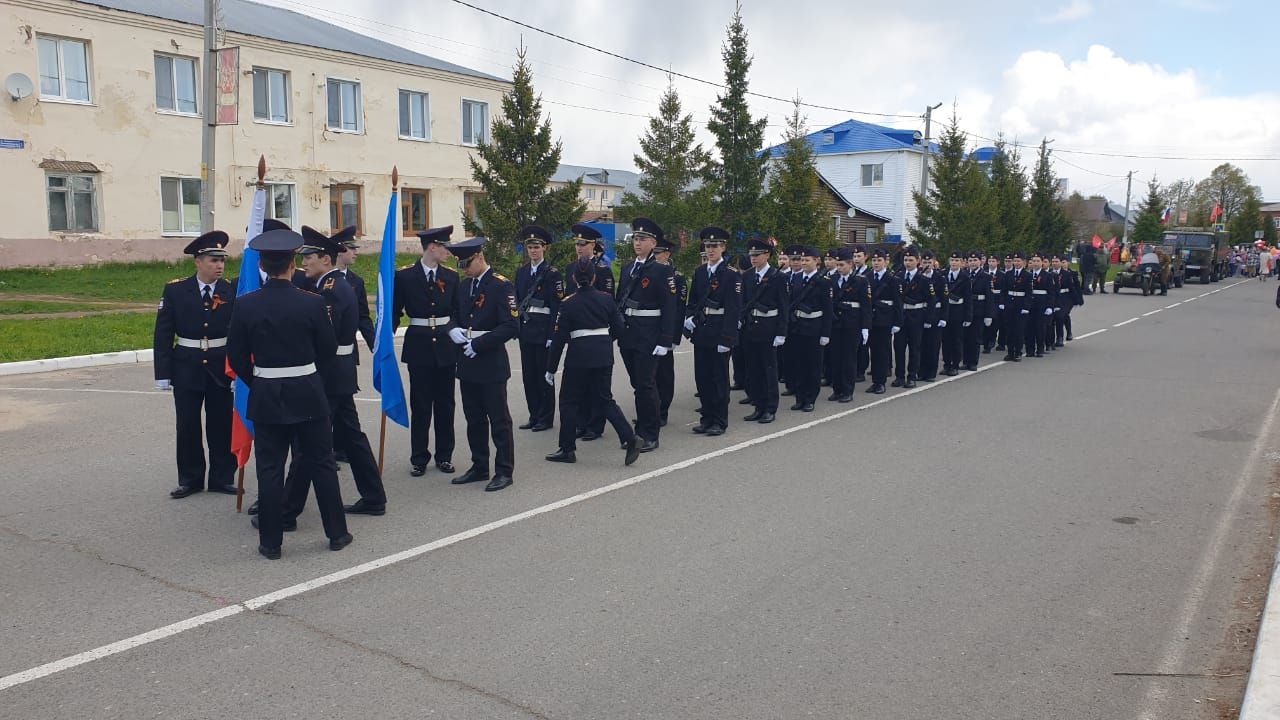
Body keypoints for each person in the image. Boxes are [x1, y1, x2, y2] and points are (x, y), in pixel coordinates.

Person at [226, 227, 351, 560]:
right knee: (322, 463)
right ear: (293, 264)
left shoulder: (245, 305)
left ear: (262, 267)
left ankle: (271, 542)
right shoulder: (312, 303)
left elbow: (236, 356)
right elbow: (327, 350)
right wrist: (307, 376)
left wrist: (261, 380)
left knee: (270, 468)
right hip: (308, 392)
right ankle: (336, 533)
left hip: (267, 392)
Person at [286, 227, 388, 518]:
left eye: (310, 257)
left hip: (329, 374)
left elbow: (324, 340)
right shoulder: (334, 286)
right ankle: (373, 496)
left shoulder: (329, 291)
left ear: (326, 260)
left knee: (309, 442)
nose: (304, 263)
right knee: (352, 437)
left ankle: (286, 511)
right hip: (340, 374)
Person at [153, 230, 239, 499]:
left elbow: (239, 333)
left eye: (222, 260)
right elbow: (163, 333)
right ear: (198, 261)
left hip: (220, 368)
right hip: (187, 366)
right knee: (188, 425)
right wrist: (163, 373)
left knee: (221, 424)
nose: (219, 265)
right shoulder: (176, 290)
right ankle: (190, 479)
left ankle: (222, 477)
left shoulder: (230, 290)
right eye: (213, 260)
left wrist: (239, 370)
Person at [544, 259, 641, 466]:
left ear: (573, 278)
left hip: (578, 357)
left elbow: (559, 339)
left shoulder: (568, 303)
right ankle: (630, 438)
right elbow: (619, 329)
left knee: (569, 402)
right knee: (605, 399)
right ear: (595, 277)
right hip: (603, 355)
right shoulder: (606, 299)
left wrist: (551, 368)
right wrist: (603, 342)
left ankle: (567, 448)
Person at [446, 237, 520, 492]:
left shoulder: (501, 286)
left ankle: (504, 470)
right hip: (467, 361)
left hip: (490, 361)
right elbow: (454, 315)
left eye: (467, 263)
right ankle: (479, 466)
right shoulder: (464, 285)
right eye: (461, 265)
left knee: (499, 419)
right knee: (473, 418)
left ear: (480, 257)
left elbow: (511, 326)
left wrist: (480, 344)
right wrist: (452, 329)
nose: (464, 269)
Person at [393, 226, 459, 477]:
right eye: (445, 247)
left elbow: (457, 311)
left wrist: (456, 334)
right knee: (420, 405)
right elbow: (395, 310)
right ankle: (419, 457)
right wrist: (385, 338)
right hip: (419, 345)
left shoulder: (451, 277)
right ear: (432, 247)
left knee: (446, 404)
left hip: (445, 345)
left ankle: (444, 455)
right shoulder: (405, 277)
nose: (448, 252)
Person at [615, 218, 677, 453]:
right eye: (635, 239)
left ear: (653, 243)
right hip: (629, 334)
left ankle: (650, 434)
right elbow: (619, 301)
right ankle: (640, 426)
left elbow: (669, 308)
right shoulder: (628, 267)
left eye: (642, 239)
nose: (637, 243)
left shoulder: (662, 270)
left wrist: (665, 340)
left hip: (650, 335)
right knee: (636, 383)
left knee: (646, 384)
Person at [685, 227, 742, 435]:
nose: (710, 250)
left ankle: (719, 420)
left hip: (720, 331)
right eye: (707, 246)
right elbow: (693, 301)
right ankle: (706, 418)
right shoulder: (700, 272)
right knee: (703, 378)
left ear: (723, 248)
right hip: (702, 331)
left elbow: (734, 309)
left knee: (719, 379)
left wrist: (727, 338)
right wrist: (689, 318)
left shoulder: (730, 275)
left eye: (715, 246)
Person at [564, 224, 614, 440]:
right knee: (579, 385)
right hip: (577, 334)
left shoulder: (602, 270)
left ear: (593, 246)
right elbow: (566, 298)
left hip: (597, 333)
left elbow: (609, 302)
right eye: (577, 243)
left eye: (583, 244)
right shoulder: (570, 268)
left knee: (598, 387)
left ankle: (596, 424)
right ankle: (581, 422)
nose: (579, 247)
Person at [514, 225, 564, 433]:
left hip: (543, 331)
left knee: (544, 376)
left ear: (545, 249)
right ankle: (534, 414)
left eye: (537, 247)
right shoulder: (522, 273)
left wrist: (553, 334)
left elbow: (557, 307)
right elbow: (517, 300)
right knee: (529, 376)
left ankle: (546, 417)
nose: (533, 251)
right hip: (526, 330)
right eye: (530, 247)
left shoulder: (552, 274)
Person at [740, 237, 788, 423]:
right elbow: (743, 303)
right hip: (750, 328)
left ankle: (770, 408)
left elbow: (784, 307)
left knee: (769, 369)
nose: (753, 258)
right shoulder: (747, 276)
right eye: (751, 255)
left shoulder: (778, 277)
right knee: (753, 370)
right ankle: (758, 405)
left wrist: (781, 332)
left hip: (769, 329)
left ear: (767, 255)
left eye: (757, 254)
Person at [785, 245, 833, 411]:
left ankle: (810, 398)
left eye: (807, 260)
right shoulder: (796, 279)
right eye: (802, 260)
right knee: (798, 364)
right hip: (798, 328)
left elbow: (828, 309)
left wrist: (826, 333)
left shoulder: (824, 282)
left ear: (816, 261)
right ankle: (800, 397)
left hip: (814, 328)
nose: (803, 263)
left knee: (813, 366)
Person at [828, 246, 871, 402]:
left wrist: (865, 327)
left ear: (850, 264)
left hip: (852, 324)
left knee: (848, 359)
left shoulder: (860, 281)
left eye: (842, 265)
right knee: (835, 358)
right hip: (836, 323)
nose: (839, 268)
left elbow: (866, 306)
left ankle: (847, 390)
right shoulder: (832, 280)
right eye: (837, 265)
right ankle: (837, 389)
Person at [653, 234, 687, 428]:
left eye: (658, 253)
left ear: (667, 254)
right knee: (650, 374)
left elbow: (679, 309)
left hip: (666, 332)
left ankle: (663, 410)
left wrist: (674, 336)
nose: (655, 256)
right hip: (649, 329)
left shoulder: (677, 277)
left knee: (664, 374)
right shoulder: (648, 272)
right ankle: (651, 408)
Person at [893, 247, 933, 389]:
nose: (907, 263)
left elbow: (931, 301)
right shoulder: (898, 277)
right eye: (905, 260)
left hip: (917, 316)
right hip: (900, 317)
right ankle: (899, 376)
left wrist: (928, 319)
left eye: (911, 260)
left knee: (914, 348)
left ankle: (912, 376)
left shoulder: (923, 279)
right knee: (898, 347)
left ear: (918, 261)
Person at [865, 249, 902, 394]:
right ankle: (875, 380)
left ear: (886, 262)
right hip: (871, 319)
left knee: (881, 351)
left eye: (879, 260)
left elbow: (898, 302)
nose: (876, 263)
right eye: (874, 260)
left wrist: (897, 322)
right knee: (873, 351)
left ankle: (880, 382)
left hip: (885, 319)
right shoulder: (867, 277)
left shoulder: (892, 279)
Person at [941, 251, 973, 376]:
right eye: (952, 260)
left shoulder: (965, 277)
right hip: (945, 311)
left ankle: (955, 364)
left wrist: (968, 316)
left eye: (956, 261)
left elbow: (968, 298)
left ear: (961, 262)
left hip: (958, 311)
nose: (954, 263)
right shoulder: (943, 274)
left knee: (956, 339)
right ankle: (947, 363)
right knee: (945, 339)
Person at [917, 251, 945, 382]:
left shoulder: (940, 278)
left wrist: (944, 317)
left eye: (929, 262)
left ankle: (931, 372)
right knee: (921, 345)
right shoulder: (917, 277)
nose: (927, 265)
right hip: (920, 313)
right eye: (924, 262)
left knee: (933, 345)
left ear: (934, 262)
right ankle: (921, 371)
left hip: (935, 315)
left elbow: (944, 300)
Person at [1000, 252, 1030, 362]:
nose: (1016, 263)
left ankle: (1018, 352)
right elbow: (1004, 290)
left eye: (1018, 261)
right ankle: (1010, 352)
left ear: (1024, 262)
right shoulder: (1008, 274)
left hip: (1020, 305)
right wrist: (1002, 302)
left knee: (1019, 330)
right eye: (1015, 261)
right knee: (1009, 329)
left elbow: (1028, 293)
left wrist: (1026, 307)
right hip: (1009, 304)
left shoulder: (1027, 275)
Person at [963, 251, 990, 370]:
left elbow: (990, 297)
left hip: (979, 309)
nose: (972, 263)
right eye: (970, 260)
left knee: (975, 337)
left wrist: (989, 315)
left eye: (975, 260)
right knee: (965, 337)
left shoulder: (986, 276)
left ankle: (973, 362)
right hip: (965, 309)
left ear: (980, 261)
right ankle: (965, 361)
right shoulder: (964, 275)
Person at [1027, 252, 1055, 358]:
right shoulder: (1028, 275)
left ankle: (1040, 349)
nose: (1035, 263)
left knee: (1040, 328)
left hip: (1041, 304)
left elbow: (1051, 293)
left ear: (1042, 262)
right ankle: (1030, 349)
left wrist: (1049, 306)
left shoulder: (1047, 275)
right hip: (1030, 304)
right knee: (1029, 328)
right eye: (1033, 261)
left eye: (1038, 261)